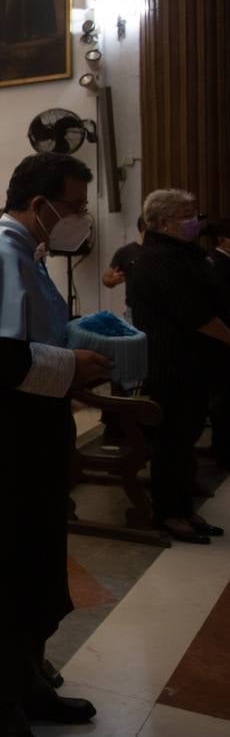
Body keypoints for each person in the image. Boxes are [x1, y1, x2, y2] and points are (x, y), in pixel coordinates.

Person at [0, 153, 112, 734]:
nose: (80, 218)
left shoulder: (18, 250)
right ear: (40, 205)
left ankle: (30, 688)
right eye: (76, 207)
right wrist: (72, 365)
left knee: (32, 574)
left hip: (21, 446)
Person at [128, 191, 230, 543]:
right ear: (163, 223)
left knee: (185, 442)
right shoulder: (158, 259)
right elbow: (195, 314)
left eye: (194, 213)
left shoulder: (184, 253)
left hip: (195, 365)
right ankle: (169, 512)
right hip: (171, 366)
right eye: (186, 215)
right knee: (171, 442)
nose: (195, 220)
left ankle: (184, 508)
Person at [206, 219, 230, 470]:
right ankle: (222, 450)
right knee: (222, 397)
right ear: (222, 240)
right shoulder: (216, 264)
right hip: (220, 339)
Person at [101, 217, 145, 313]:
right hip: (134, 311)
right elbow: (106, 279)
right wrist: (113, 280)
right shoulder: (125, 252)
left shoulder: (162, 251)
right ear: (143, 228)